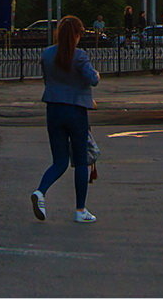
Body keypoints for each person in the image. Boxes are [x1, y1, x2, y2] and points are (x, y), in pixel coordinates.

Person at [31, 16, 100, 224]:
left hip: (53, 110)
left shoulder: (48, 54)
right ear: (77, 35)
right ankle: (80, 210)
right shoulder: (79, 56)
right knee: (80, 161)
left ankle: (40, 191)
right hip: (76, 111)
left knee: (59, 161)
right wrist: (96, 73)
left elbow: (47, 80)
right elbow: (93, 79)